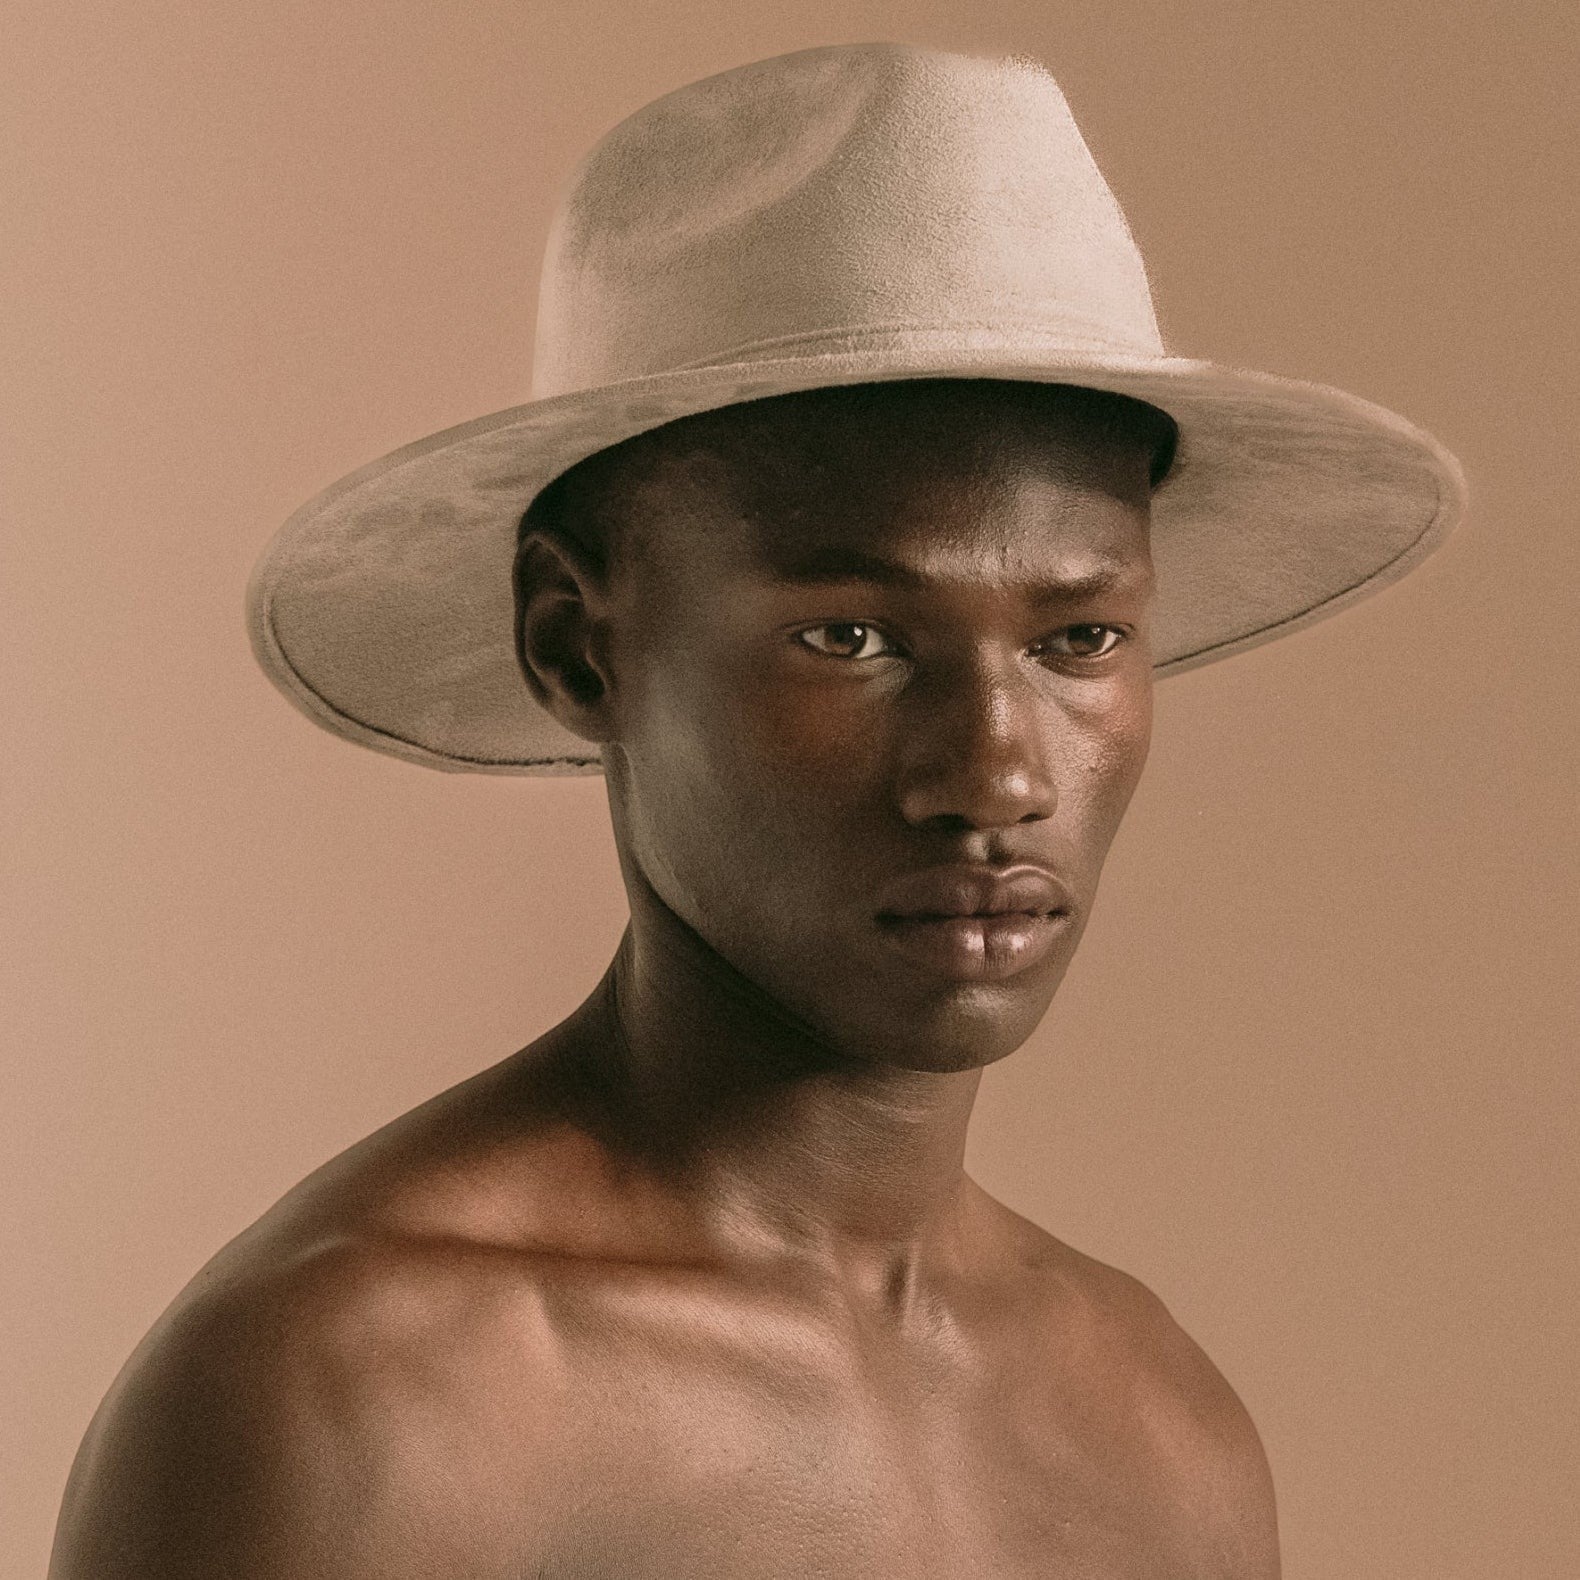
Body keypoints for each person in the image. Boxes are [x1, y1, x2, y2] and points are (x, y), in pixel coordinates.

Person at [51, 41, 1464, 1580]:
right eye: (852, 637)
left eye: (1078, 642)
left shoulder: (1159, 1428)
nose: (993, 779)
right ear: (577, 647)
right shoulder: (368, 1400)